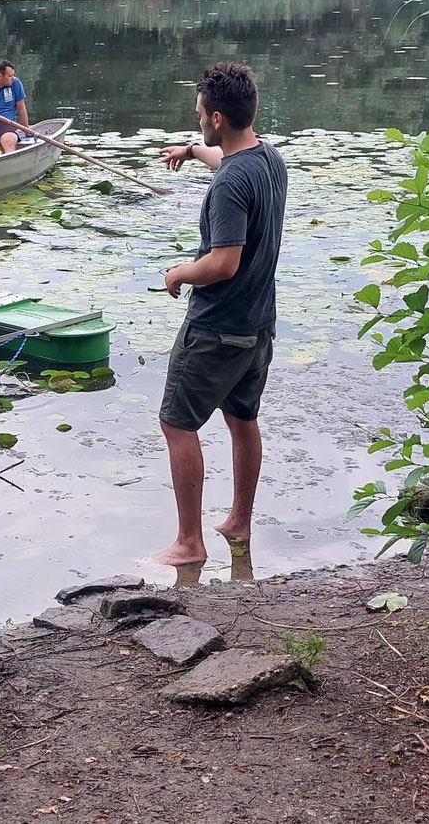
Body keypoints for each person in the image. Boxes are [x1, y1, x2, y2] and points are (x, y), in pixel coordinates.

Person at [150, 62, 288, 567]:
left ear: (217, 118)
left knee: (177, 425)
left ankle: (189, 544)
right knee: (241, 417)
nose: (197, 119)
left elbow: (224, 262)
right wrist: (189, 151)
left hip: (217, 328)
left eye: (200, 116)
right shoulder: (268, 160)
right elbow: (224, 161)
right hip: (258, 326)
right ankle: (240, 521)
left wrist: (180, 273)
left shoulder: (231, 184)